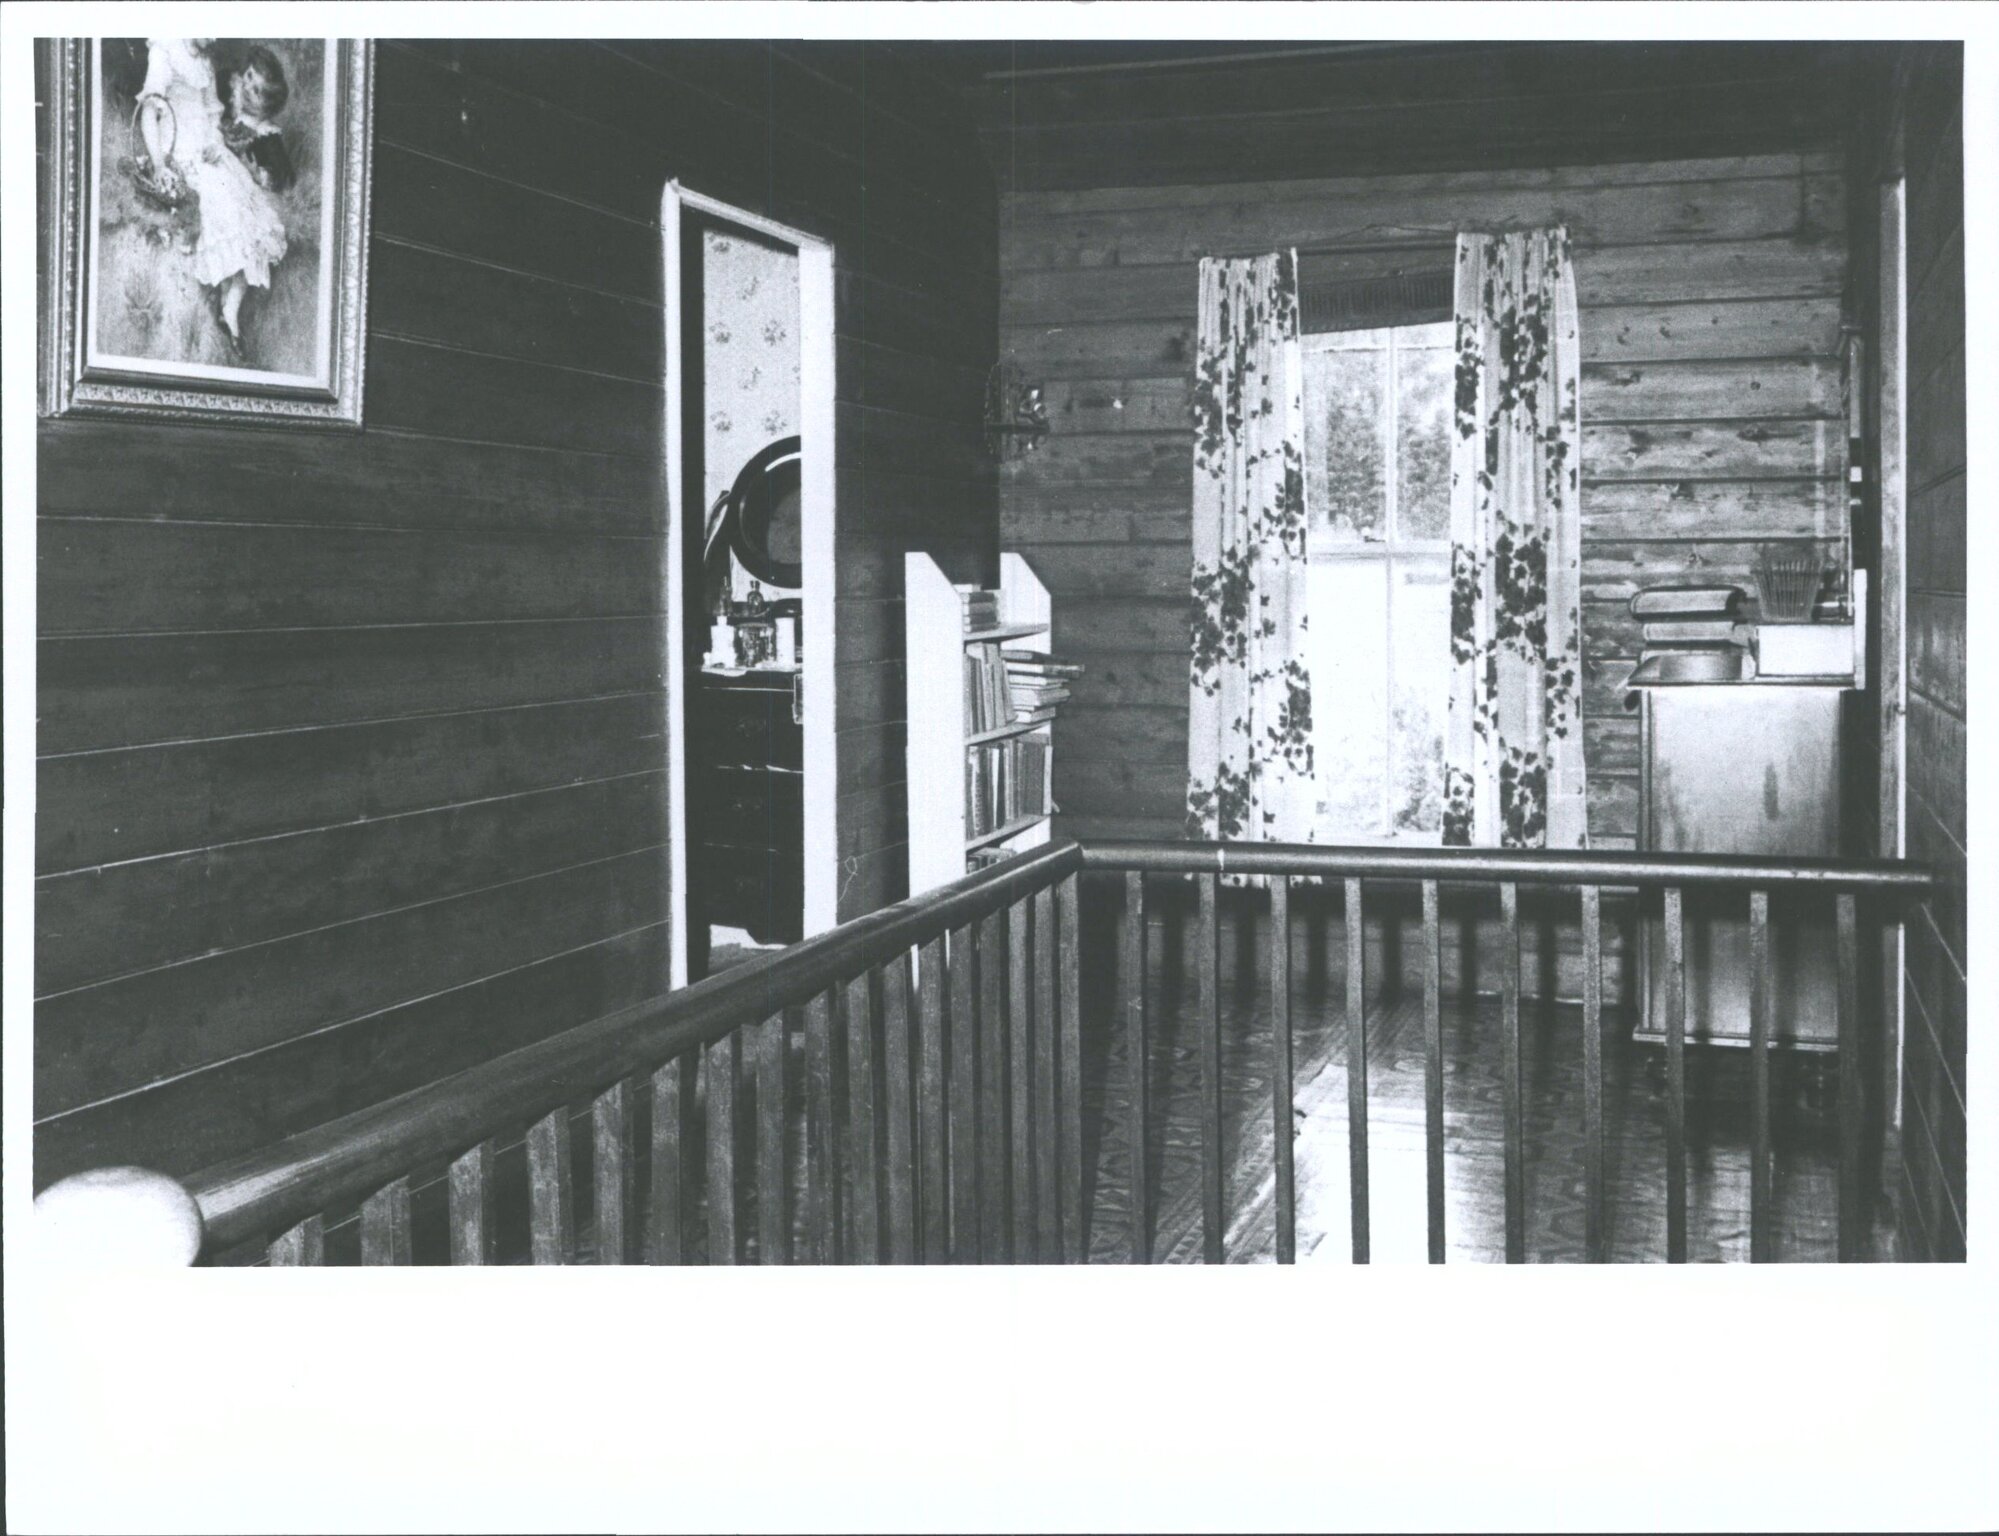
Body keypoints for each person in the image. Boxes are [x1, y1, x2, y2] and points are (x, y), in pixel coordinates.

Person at [134, 38, 288, 355]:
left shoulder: (205, 62)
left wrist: (217, 145)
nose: (215, 38)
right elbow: (150, 113)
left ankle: (230, 309)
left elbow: (212, 117)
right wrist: (160, 163)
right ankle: (218, 296)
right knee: (222, 211)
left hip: (208, 153)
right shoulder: (166, 50)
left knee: (256, 217)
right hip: (177, 150)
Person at [219, 45, 297, 195]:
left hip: (240, 185)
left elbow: (285, 179)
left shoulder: (266, 134)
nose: (247, 88)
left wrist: (255, 171)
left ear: (267, 107)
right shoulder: (232, 97)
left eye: (257, 91)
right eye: (249, 75)